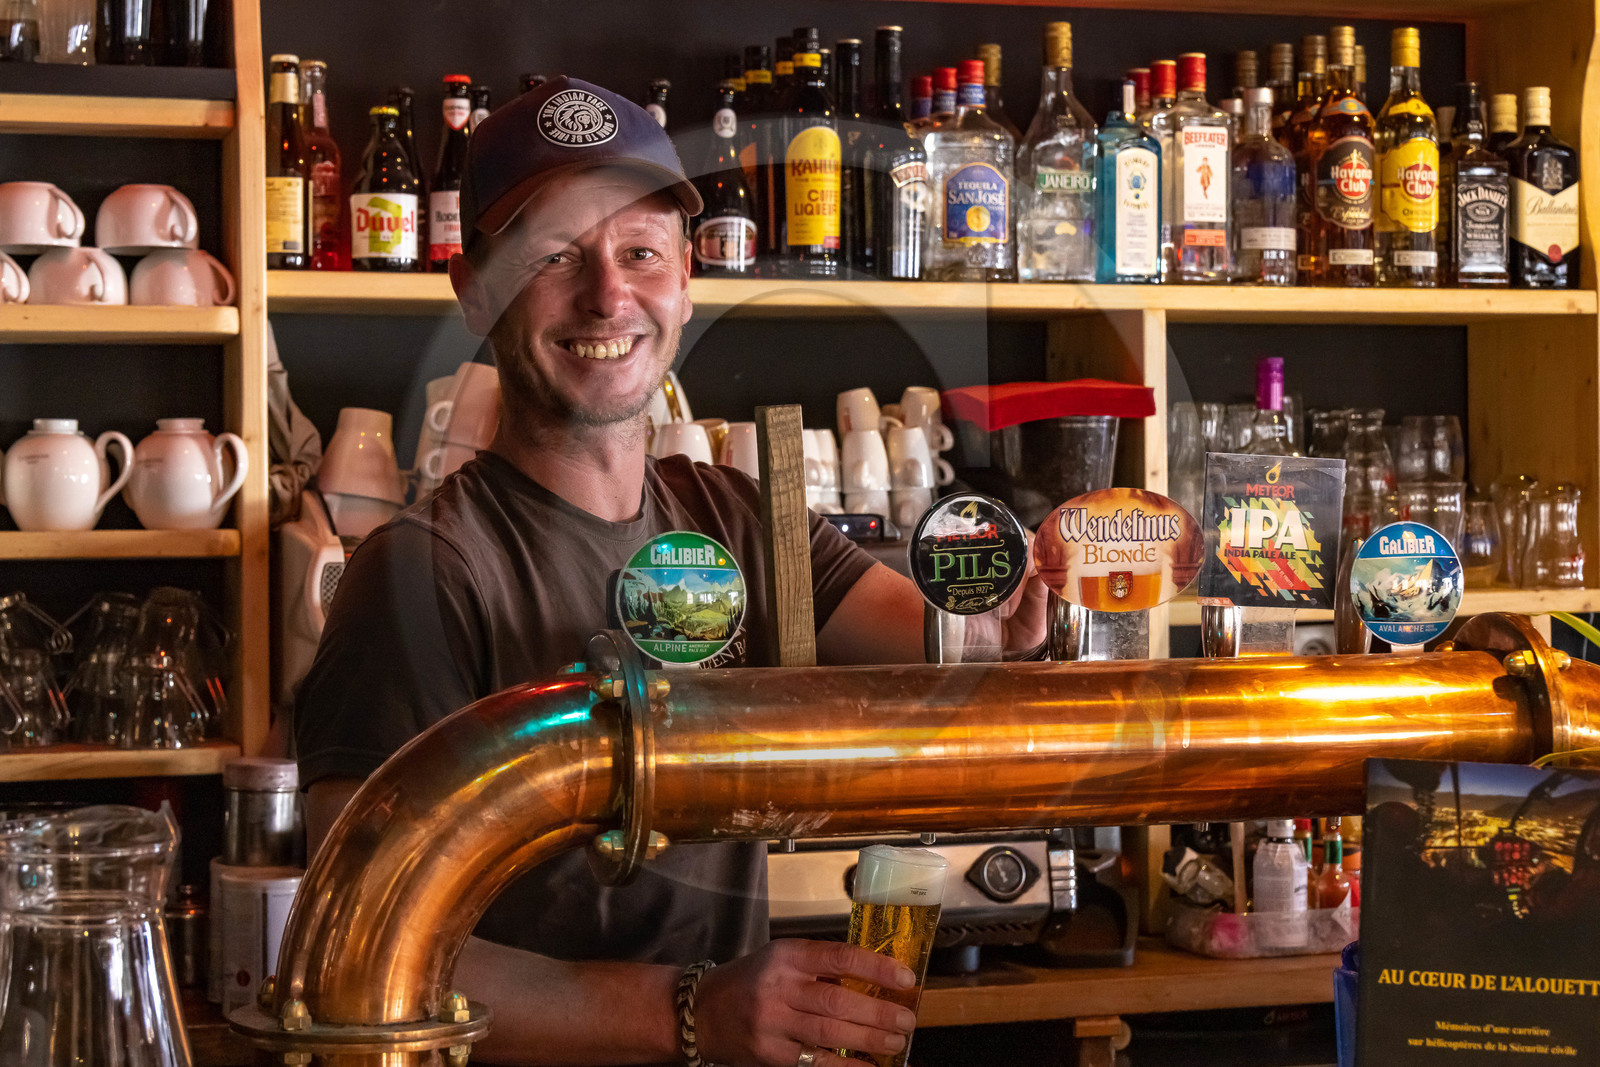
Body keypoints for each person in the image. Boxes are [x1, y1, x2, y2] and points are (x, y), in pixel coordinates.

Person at [295, 76, 1047, 1067]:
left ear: (685, 282)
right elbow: (349, 941)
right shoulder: (419, 575)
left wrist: (1037, 588)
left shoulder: (732, 513)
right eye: (552, 255)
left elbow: (957, 646)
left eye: (638, 252)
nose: (606, 294)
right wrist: (686, 1012)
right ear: (473, 288)